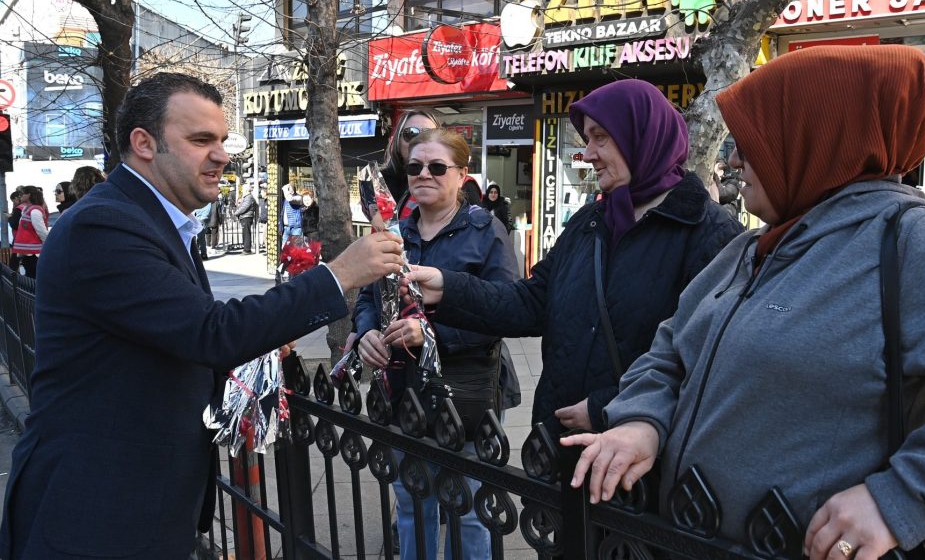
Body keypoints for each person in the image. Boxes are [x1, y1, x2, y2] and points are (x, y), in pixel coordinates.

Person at [560, 46, 925, 560]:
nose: (735, 161)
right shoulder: (751, 247)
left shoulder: (919, 246)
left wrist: (905, 497)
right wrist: (642, 421)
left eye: (752, 141)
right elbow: (672, 350)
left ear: (813, 139)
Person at [0, 72, 405, 559]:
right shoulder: (103, 225)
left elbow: (175, 337)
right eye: (201, 140)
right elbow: (209, 332)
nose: (222, 155)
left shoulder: (156, 220)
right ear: (144, 144)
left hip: (139, 508)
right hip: (95, 514)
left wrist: (263, 346)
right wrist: (339, 274)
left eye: (222, 140)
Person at [406, 79, 741, 440]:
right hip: (558, 446)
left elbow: (708, 360)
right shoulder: (590, 221)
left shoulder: (711, 233)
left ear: (641, 136)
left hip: (637, 463)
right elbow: (531, 302)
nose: (588, 153)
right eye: (587, 140)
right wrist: (447, 288)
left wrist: (605, 408)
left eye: (601, 137)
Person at [350, 128, 519, 560]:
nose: (424, 174)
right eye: (415, 166)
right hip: (403, 390)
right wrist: (367, 330)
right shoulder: (394, 232)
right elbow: (368, 295)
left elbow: (505, 310)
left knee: (465, 510)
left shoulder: (486, 231)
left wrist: (430, 335)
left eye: (437, 167)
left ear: (461, 174)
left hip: (463, 390)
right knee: (411, 501)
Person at [12, 186, 49, 278]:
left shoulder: (35, 211)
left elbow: (42, 232)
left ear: (29, 195)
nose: (20, 196)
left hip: (33, 253)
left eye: (23, 194)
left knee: (33, 276)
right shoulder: (27, 209)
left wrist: (48, 245)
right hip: (28, 252)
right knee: (30, 275)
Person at [234, 183, 259, 254]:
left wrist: (236, 213)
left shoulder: (248, 197)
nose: (242, 190)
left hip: (246, 217)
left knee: (246, 233)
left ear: (246, 189)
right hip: (245, 216)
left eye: (243, 189)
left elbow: (244, 207)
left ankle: (247, 249)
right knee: (245, 233)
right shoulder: (246, 197)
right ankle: (246, 248)